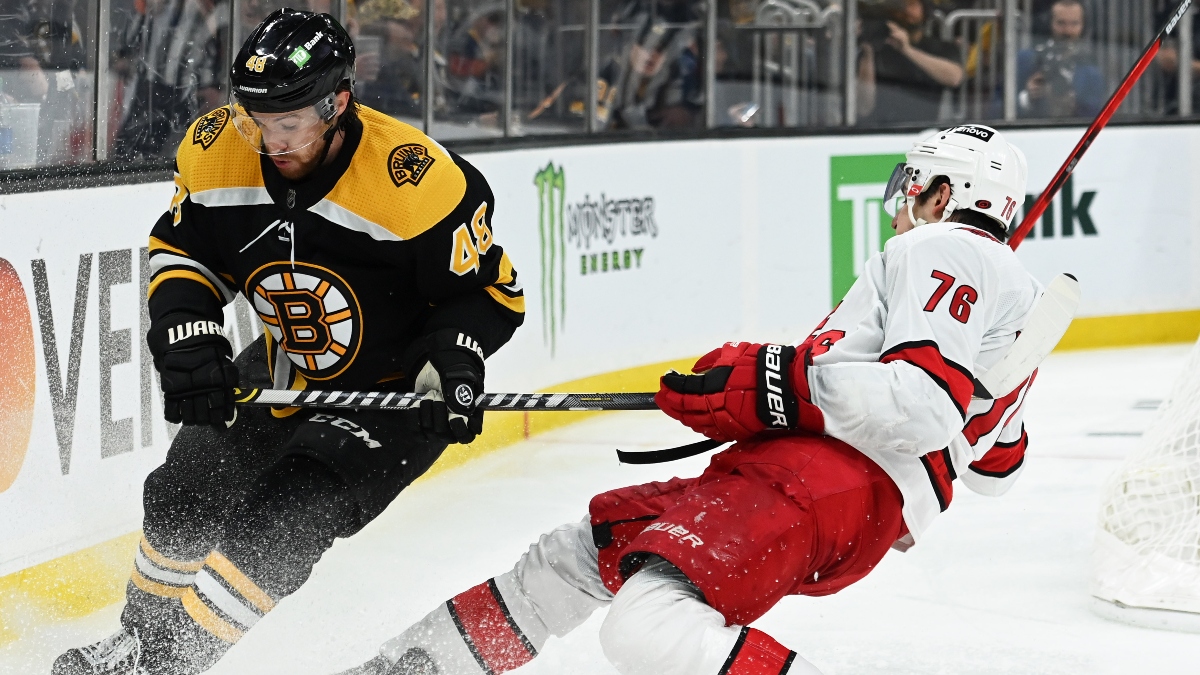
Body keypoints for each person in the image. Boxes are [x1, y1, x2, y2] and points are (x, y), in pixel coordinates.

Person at [333, 123, 1042, 675]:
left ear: (945, 194)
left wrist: (778, 379)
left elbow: (918, 406)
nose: (904, 204)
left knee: (649, 625)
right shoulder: (1011, 305)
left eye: (917, 185)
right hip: (813, 483)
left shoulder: (940, 251)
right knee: (578, 553)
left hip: (822, 478)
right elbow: (993, 467)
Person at [53, 8, 523, 675]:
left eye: (289, 123)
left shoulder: (415, 182)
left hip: (391, 396)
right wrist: (189, 334)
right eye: (254, 119)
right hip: (286, 368)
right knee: (185, 485)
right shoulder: (218, 150)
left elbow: (489, 292)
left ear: (336, 104)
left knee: (285, 515)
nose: (269, 140)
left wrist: (454, 358)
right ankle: (140, 637)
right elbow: (183, 252)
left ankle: (170, 662)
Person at [859, 0, 963, 125]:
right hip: (880, 128)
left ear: (925, 9)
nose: (906, 11)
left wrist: (907, 50)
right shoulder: (878, 49)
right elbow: (863, 107)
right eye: (899, 6)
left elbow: (954, 77)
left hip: (922, 129)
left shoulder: (941, 48)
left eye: (911, 5)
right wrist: (867, 52)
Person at [1015, 0, 1104, 119]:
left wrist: (1074, 107)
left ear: (1083, 26)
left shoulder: (1092, 74)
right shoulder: (1025, 60)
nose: (1067, 31)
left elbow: (1097, 119)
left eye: (1074, 24)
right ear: (1049, 23)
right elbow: (993, 110)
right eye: (1061, 23)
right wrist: (1026, 98)